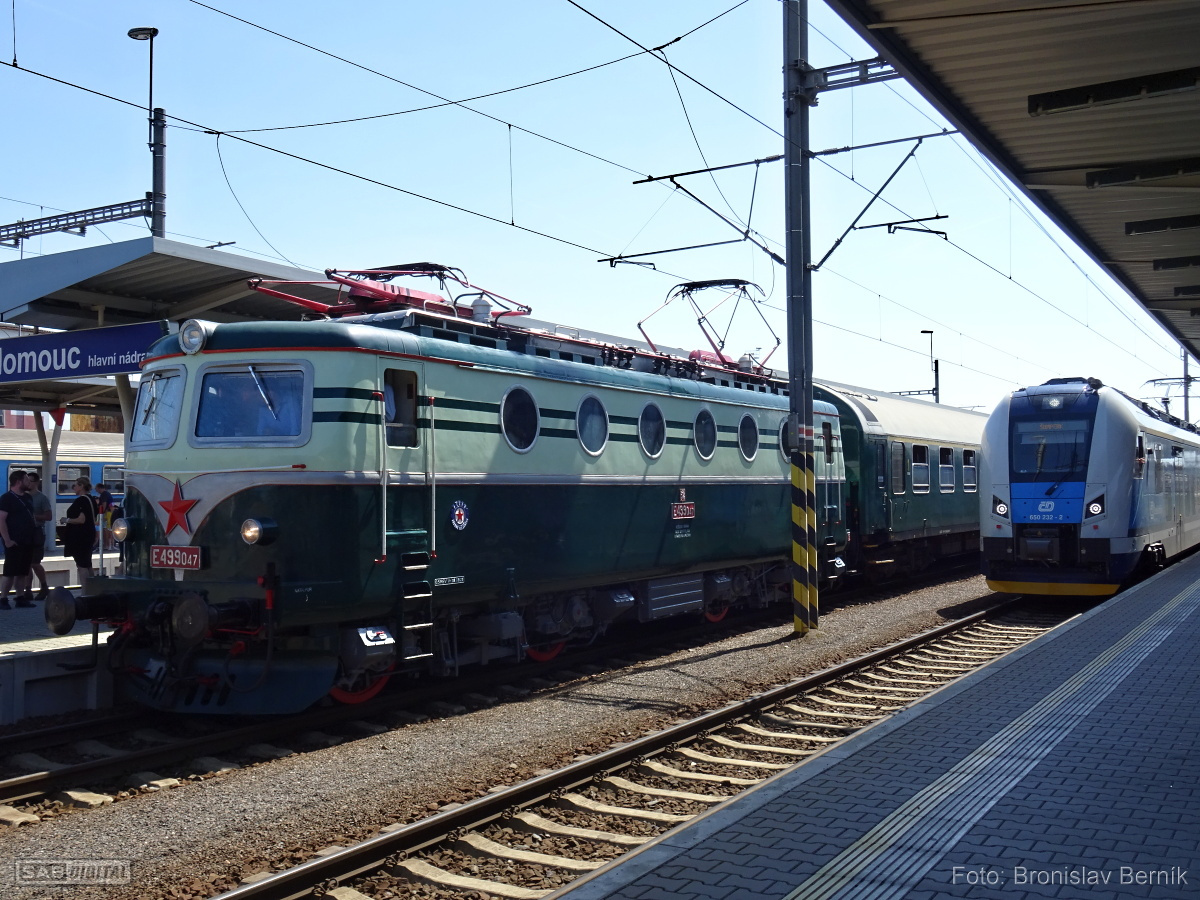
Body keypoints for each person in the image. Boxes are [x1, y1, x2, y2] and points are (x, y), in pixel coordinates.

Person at [0, 470, 37, 608]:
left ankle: (20, 597)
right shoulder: (6, 498)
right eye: (26, 480)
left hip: (28, 540)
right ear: (18, 482)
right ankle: (3, 598)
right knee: (10, 571)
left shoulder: (28, 497)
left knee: (22, 571)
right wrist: (7, 540)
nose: (29, 482)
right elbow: (1, 520)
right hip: (14, 540)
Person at [62, 476, 98, 591]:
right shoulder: (91, 499)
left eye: (75, 485)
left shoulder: (81, 500)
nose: (73, 488)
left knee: (81, 565)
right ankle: (93, 589)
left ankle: (85, 591)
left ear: (81, 486)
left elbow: (81, 519)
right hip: (89, 534)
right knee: (88, 564)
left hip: (79, 537)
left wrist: (66, 520)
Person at [25, 472, 53, 600]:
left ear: (36, 482)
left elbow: (49, 516)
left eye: (30, 481)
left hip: (37, 532)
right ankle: (28, 590)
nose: (28, 483)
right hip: (25, 533)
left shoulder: (42, 498)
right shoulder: (23, 497)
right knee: (26, 563)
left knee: (35, 563)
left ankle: (44, 586)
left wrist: (33, 516)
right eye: (26, 480)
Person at [96, 482, 114, 550]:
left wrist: (101, 513)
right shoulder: (107, 493)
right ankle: (109, 545)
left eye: (96, 489)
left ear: (99, 488)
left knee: (104, 529)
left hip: (105, 514)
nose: (96, 490)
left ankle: (106, 545)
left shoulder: (103, 494)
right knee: (108, 529)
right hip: (109, 513)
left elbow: (104, 504)